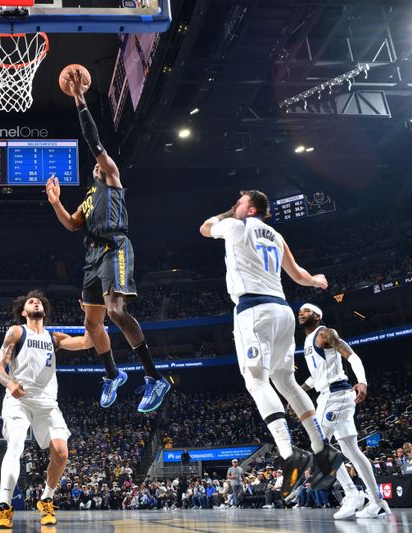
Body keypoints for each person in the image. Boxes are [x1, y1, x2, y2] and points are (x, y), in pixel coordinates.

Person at [200, 192, 343, 497]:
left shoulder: (236, 226)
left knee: (256, 381)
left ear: (249, 209)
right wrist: (316, 280)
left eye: (239, 201)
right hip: (283, 311)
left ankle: (289, 452)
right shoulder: (276, 236)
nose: (235, 203)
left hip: (254, 311)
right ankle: (322, 448)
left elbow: (204, 227)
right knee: (285, 380)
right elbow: (298, 274)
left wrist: (227, 212)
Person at [45, 68, 169, 413]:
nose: (100, 164)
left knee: (116, 311)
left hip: (116, 246)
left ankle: (153, 376)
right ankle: (113, 374)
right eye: (98, 165)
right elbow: (72, 225)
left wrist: (79, 97)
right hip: (92, 256)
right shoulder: (88, 197)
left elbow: (93, 140)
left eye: (102, 162)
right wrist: (55, 202)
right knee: (91, 322)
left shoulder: (112, 177)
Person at [0, 291, 93, 528]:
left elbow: (87, 341)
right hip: (19, 400)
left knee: (61, 453)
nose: (35, 302)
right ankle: (4, 506)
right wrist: (10, 383)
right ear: (24, 312)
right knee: (15, 445)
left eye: (38, 302)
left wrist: (91, 313)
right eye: (30, 302)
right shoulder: (17, 332)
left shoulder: (53, 337)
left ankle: (46, 498)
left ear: (44, 312)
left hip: (47, 403)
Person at [298, 303, 392, 519]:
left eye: (307, 311)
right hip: (332, 395)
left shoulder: (325, 333)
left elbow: (352, 356)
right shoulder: (308, 341)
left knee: (319, 445)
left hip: (335, 395)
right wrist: (299, 392)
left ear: (318, 316)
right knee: (351, 451)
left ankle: (352, 494)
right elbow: (317, 374)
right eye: (300, 311)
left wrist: (362, 382)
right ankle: (377, 502)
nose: (301, 313)